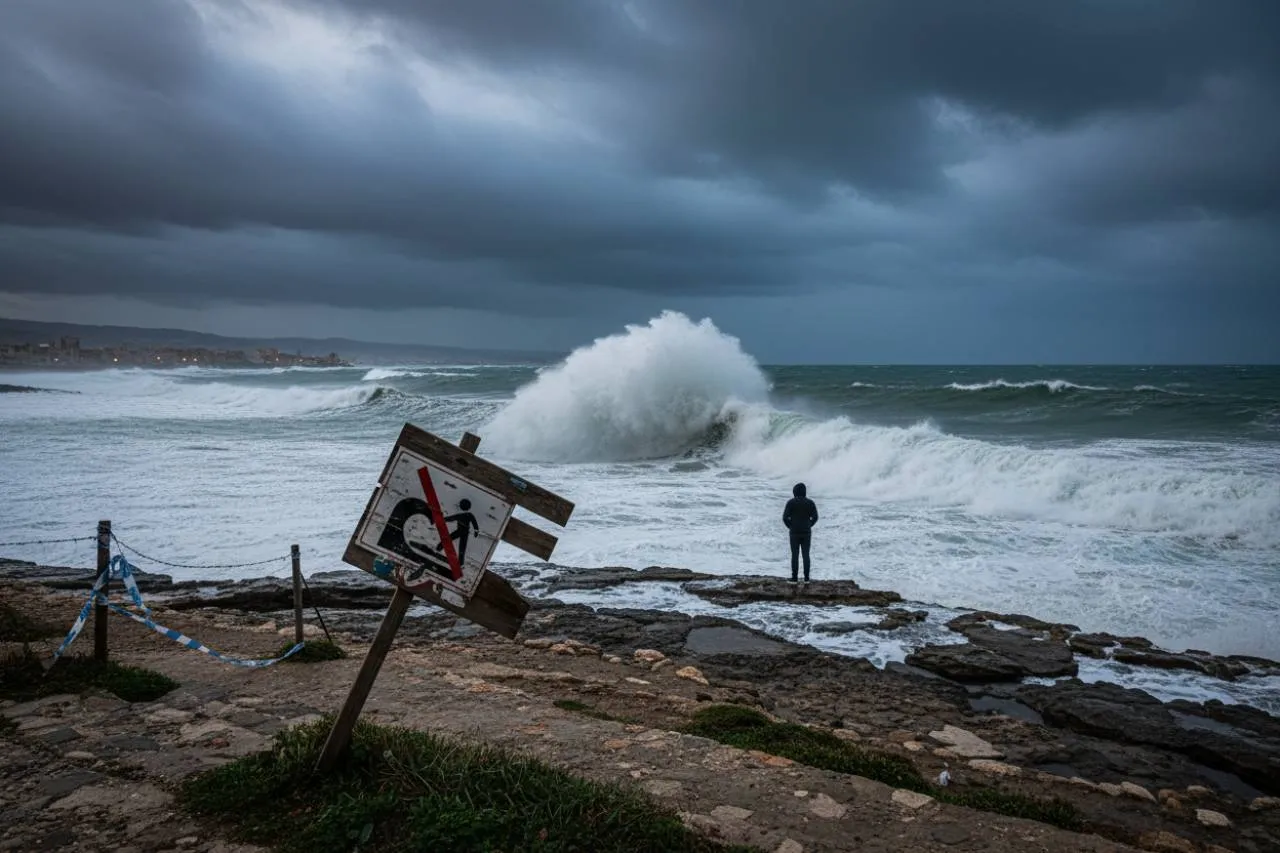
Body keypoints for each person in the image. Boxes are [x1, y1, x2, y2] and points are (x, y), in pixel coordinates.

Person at [782, 482, 818, 582]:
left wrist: (791, 526)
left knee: (795, 555)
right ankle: (807, 578)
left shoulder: (791, 503)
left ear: (795, 492)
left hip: (794, 532)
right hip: (806, 532)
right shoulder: (810, 503)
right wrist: (809, 525)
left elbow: (785, 518)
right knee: (806, 555)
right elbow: (815, 517)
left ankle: (794, 578)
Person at [436, 498, 481, 565]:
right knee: (462, 547)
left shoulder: (460, 515)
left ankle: (439, 548)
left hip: (460, 531)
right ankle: (461, 562)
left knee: (449, 539)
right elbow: (474, 523)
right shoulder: (469, 515)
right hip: (465, 532)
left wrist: (442, 519)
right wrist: (476, 531)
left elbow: (450, 518)